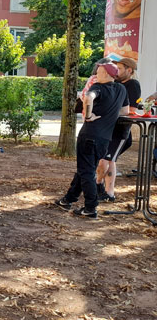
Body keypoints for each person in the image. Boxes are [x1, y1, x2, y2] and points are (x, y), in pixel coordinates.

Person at [55, 62, 129, 219]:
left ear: (108, 74)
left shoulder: (97, 87)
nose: (97, 74)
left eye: (100, 71)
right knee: (85, 169)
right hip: (105, 139)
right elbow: (125, 110)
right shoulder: (121, 89)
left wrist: (88, 116)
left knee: (87, 171)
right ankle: (68, 199)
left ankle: (90, 207)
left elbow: (88, 97)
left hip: (89, 135)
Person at [95, 57, 141, 203]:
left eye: (120, 69)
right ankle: (107, 191)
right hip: (107, 128)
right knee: (107, 160)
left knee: (106, 161)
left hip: (120, 131)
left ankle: (102, 188)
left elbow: (130, 110)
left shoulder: (133, 85)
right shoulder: (115, 83)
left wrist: (109, 112)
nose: (117, 71)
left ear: (129, 70)